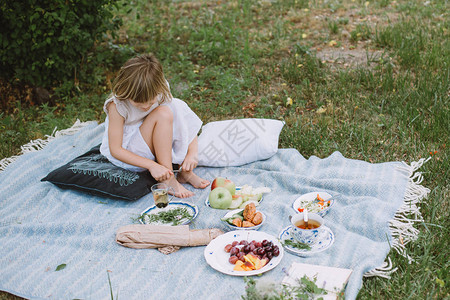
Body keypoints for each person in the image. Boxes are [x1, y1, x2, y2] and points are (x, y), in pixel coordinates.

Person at [99, 53, 210, 198]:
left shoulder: (159, 90)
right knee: (163, 113)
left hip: (151, 133)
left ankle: (184, 171)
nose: (145, 106)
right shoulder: (117, 106)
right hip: (130, 149)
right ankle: (168, 178)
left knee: (175, 105)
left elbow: (182, 118)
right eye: (139, 103)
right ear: (125, 91)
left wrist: (192, 153)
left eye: (150, 102)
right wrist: (153, 166)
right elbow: (116, 150)